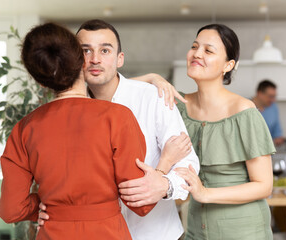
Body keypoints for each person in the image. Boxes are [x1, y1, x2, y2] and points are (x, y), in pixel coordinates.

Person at [38, 19, 200, 240]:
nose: (95, 59)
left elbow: (188, 162)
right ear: (74, 59)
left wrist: (164, 184)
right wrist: (42, 208)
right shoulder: (65, 113)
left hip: (156, 234)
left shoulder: (153, 97)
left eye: (105, 50)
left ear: (119, 58)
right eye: (86, 51)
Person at [0, 23, 156, 240]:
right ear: (82, 62)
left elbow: (11, 210)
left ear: (41, 81)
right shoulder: (118, 117)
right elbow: (141, 203)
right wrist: (164, 169)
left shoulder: (24, 128)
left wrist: (38, 205)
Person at [134, 24, 275, 240]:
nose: (197, 54)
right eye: (194, 46)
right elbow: (118, 91)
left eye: (208, 50)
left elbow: (264, 186)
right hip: (196, 228)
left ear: (228, 65)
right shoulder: (177, 105)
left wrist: (205, 193)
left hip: (244, 231)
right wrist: (153, 78)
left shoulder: (244, 111)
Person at [252, 80, 285, 146]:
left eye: (274, 97)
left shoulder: (273, 108)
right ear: (259, 93)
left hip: (267, 151)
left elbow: (277, 131)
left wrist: (279, 139)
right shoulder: (245, 107)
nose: (273, 100)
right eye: (270, 96)